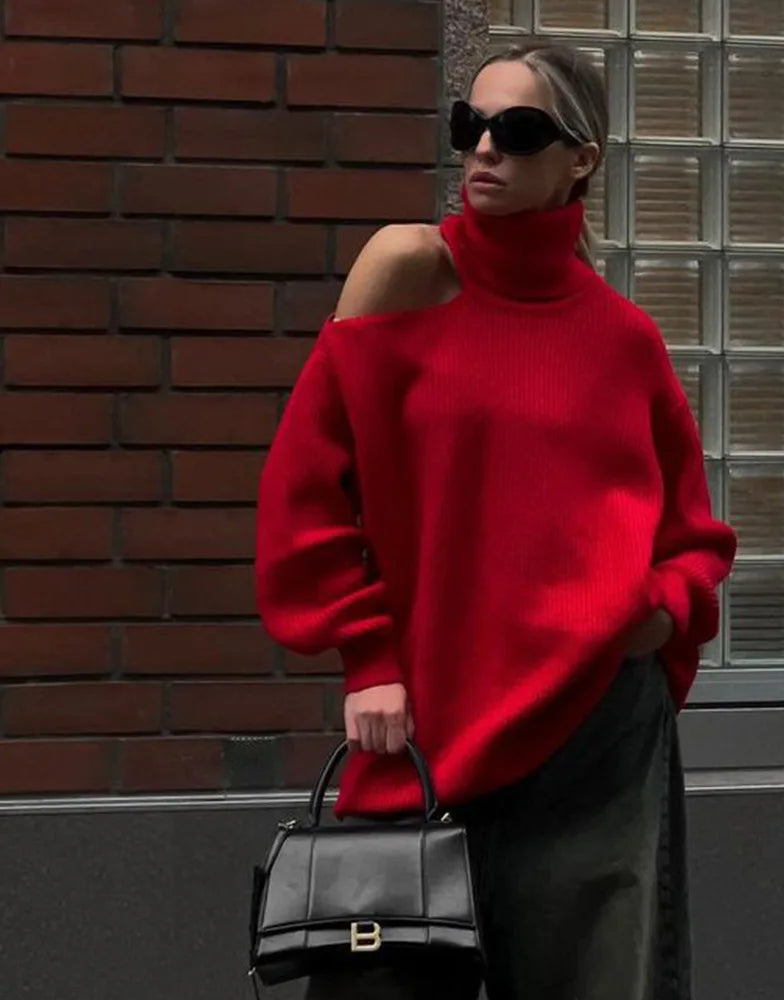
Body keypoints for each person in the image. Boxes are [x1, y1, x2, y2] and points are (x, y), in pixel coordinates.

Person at [255, 42, 736, 1000]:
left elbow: (694, 537)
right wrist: (368, 656)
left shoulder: (621, 340)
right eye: (468, 126)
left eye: (517, 132)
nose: (483, 150)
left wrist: (655, 614)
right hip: (428, 731)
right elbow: (303, 489)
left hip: (596, 740)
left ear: (582, 158)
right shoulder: (408, 271)